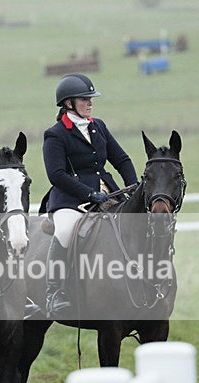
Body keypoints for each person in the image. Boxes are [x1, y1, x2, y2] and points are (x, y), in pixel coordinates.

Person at [41, 73, 138, 317]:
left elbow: (121, 159)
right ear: (68, 103)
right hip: (70, 199)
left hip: (107, 192)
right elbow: (56, 174)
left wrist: (133, 184)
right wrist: (88, 193)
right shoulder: (55, 134)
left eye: (90, 98)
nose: (90, 103)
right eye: (84, 99)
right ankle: (55, 291)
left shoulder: (99, 126)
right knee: (64, 231)